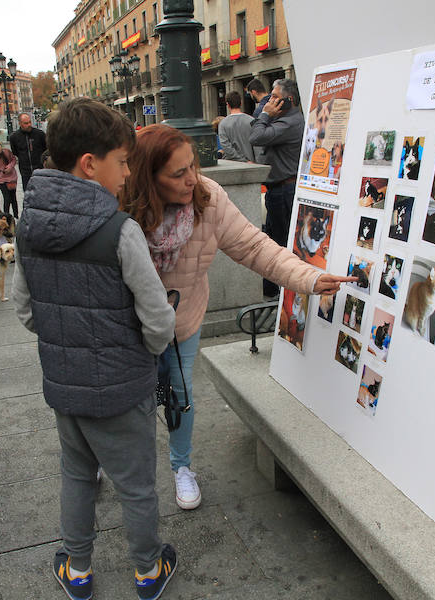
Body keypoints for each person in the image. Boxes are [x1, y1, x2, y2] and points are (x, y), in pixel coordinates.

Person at [120, 124, 352, 510]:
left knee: (180, 393)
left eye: (193, 166)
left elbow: (254, 247)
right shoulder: (120, 208)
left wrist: (309, 277)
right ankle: (111, 460)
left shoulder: (209, 198)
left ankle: (181, 467)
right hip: (129, 326)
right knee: (129, 401)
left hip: (182, 319)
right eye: (178, 173)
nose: (192, 179)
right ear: (148, 177)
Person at [12, 98, 178, 600]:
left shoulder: (29, 226)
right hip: (123, 387)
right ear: (90, 163)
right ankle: (148, 572)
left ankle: (78, 571)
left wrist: (68, 340)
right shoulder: (119, 231)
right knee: (135, 484)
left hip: (65, 386)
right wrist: (144, 354)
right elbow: (158, 319)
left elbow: (24, 310)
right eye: (123, 162)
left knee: (77, 475)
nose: (128, 174)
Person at [249, 78, 305, 298]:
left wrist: (265, 114)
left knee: (280, 244)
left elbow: (255, 136)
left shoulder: (290, 123)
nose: (268, 102)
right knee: (272, 242)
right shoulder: (281, 120)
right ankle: (273, 291)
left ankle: (284, 294)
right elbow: (256, 128)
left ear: (288, 101)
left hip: (284, 192)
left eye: (274, 97)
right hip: (278, 190)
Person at [9, 112, 46, 193]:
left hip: (39, 169)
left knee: (42, 192)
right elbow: (15, 152)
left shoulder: (39, 134)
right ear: (20, 123)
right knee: (27, 192)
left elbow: (45, 149)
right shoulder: (14, 137)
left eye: (29, 122)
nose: (29, 125)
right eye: (26, 123)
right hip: (25, 171)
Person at [218, 91, 255, 162]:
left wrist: (243, 160)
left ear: (227, 104)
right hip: (252, 162)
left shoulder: (223, 124)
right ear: (241, 102)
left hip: (232, 164)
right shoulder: (251, 120)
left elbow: (226, 146)